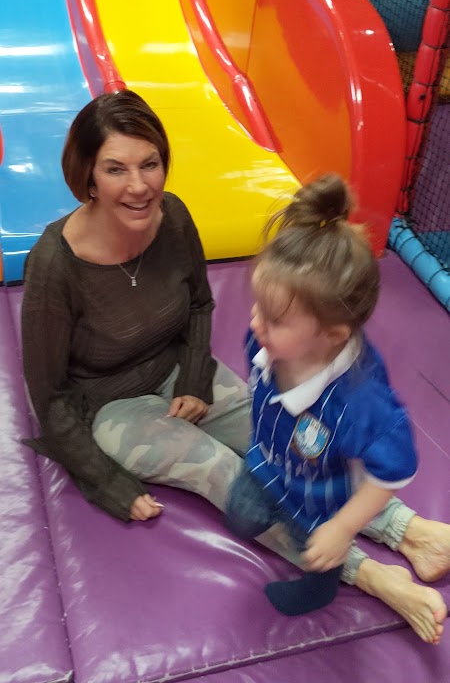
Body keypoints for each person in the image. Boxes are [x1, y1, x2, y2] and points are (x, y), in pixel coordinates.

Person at [22, 91, 449, 644]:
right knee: (223, 471)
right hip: (111, 403)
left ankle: (409, 531)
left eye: (149, 164)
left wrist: (195, 378)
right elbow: (49, 394)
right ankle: (369, 575)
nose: (139, 185)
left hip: (178, 369)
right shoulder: (56, 264)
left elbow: (199, 304)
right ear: (87, 176)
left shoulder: (172, 216)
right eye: (115, 169)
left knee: (288, 441)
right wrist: (105, 481)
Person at [224, 173, 420, 618]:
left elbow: (394, 471)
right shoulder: (264, 343)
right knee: (241, 515)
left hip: (319, 502)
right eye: (257, 306)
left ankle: (321, 588)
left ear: (332, 334)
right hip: (266, 462)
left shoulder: (359, 403)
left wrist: (342, 528)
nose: (255, 323)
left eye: (273, 319)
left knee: (314, 550)